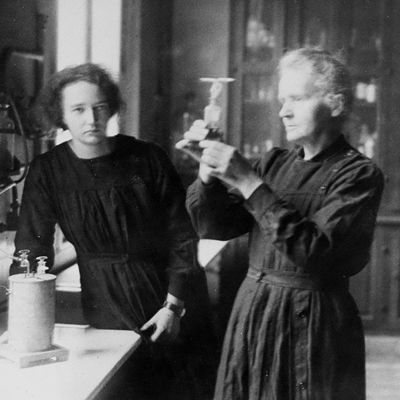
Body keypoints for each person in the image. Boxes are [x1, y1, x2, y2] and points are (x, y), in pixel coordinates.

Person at [184, 48, 384, 400]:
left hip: (315, 320)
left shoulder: (359, 174)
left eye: (297, 99)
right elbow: (213, 226)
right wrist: (208, 173)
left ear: (335, 104)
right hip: (255, 309)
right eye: (281, 100)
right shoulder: (273, 163)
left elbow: (316, 252)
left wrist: (248, 183)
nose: (283, 111)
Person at [10, 63, 217, 399]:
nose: (91, 119)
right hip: (105, 306)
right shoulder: (48, 172)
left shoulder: (147, 158)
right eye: (78, 109)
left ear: (111, 109)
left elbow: (182, 235)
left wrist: (174, 306)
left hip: (170, 296)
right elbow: (31, 250)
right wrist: (23, 321)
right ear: (61, 115)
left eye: (99, 107)